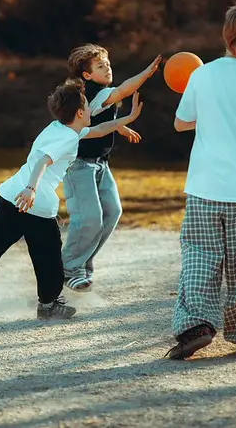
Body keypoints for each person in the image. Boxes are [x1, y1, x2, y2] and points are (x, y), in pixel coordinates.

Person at [0, 79, 144, 332]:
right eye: (88, 108)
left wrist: (128, 119)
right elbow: (44, 161)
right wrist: (32, 189)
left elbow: (100, 129)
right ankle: (48, 306)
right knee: (48, 258)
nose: (91, 111)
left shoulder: (58, 128)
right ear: (80, 112)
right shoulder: (68, 138)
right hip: (34, 202)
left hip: (10, 195)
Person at [166, 3, 236, 360]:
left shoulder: (202, 75)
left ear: (225, 34)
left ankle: (198, 326)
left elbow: (181, 123)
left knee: (200, 257)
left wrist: (212, 119)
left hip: (204, 188)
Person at [62, 45, 161, 292]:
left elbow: (99, 120)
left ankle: (82, 262)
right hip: (79, 166)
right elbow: (124, 90)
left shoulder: (102, 92)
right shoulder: (89, 94)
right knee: (89, 219)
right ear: (86, 75)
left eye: (108, 64)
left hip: (100, 165)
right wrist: (147, 73)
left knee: (113, 212)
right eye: (100, 66)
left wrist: (120, 126)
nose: (107, 68)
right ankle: (69, 269)